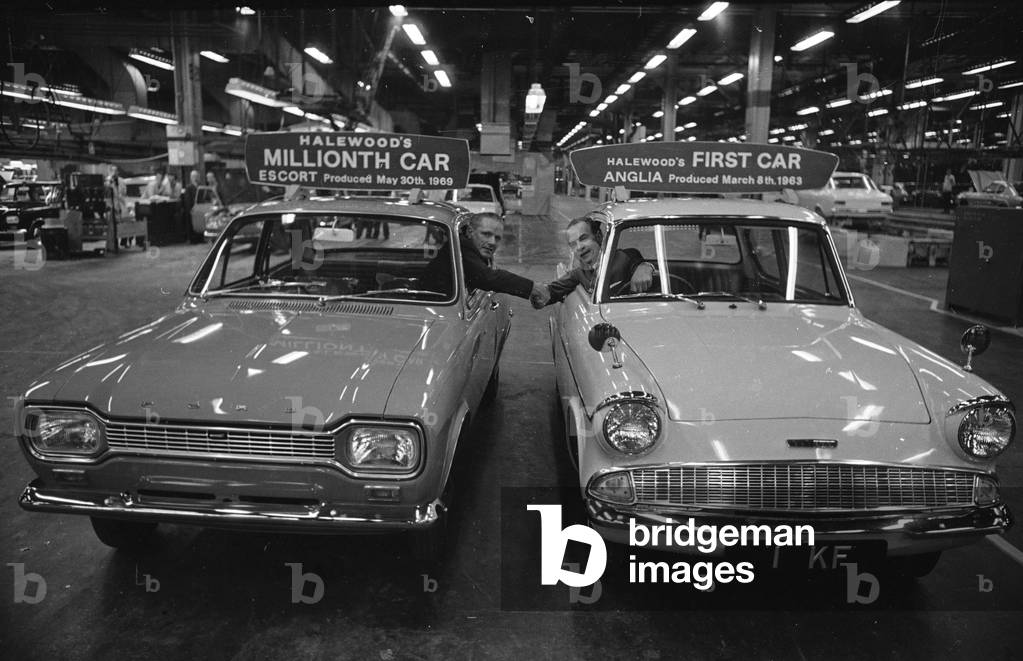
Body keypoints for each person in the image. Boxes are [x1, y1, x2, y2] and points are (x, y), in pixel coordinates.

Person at [532, 216, 653, 308]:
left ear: (598, 236)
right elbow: (551, 291)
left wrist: (645, 266)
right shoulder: (578, 274)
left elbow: (636, 261)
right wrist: (535, 295)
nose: (579, 247)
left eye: (583, 238)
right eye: (573, 244)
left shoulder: (625, 257)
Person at [422, 211, 546, 302]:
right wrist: (533, 288)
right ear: (470, 232)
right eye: (486, 234)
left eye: (497, 238)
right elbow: (487, 278)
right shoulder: (462, 247)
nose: (492, 242)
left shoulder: (470, 247)